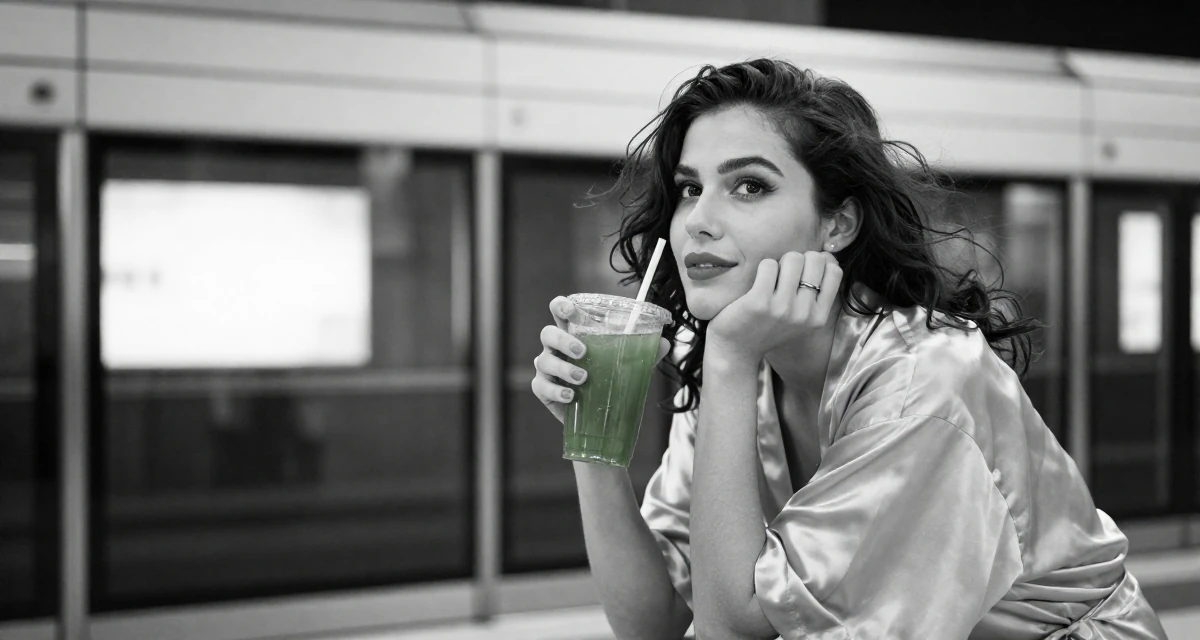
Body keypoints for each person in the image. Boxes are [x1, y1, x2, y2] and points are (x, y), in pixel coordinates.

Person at [530, 59, 1167, 640]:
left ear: (837, 224)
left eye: (749, 186)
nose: (698, 219)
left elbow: (732, 629)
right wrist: (595, 443)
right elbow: (655, 622)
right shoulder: (738, 358)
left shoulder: (922, 379)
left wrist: (728, 358)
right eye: (690, 188)